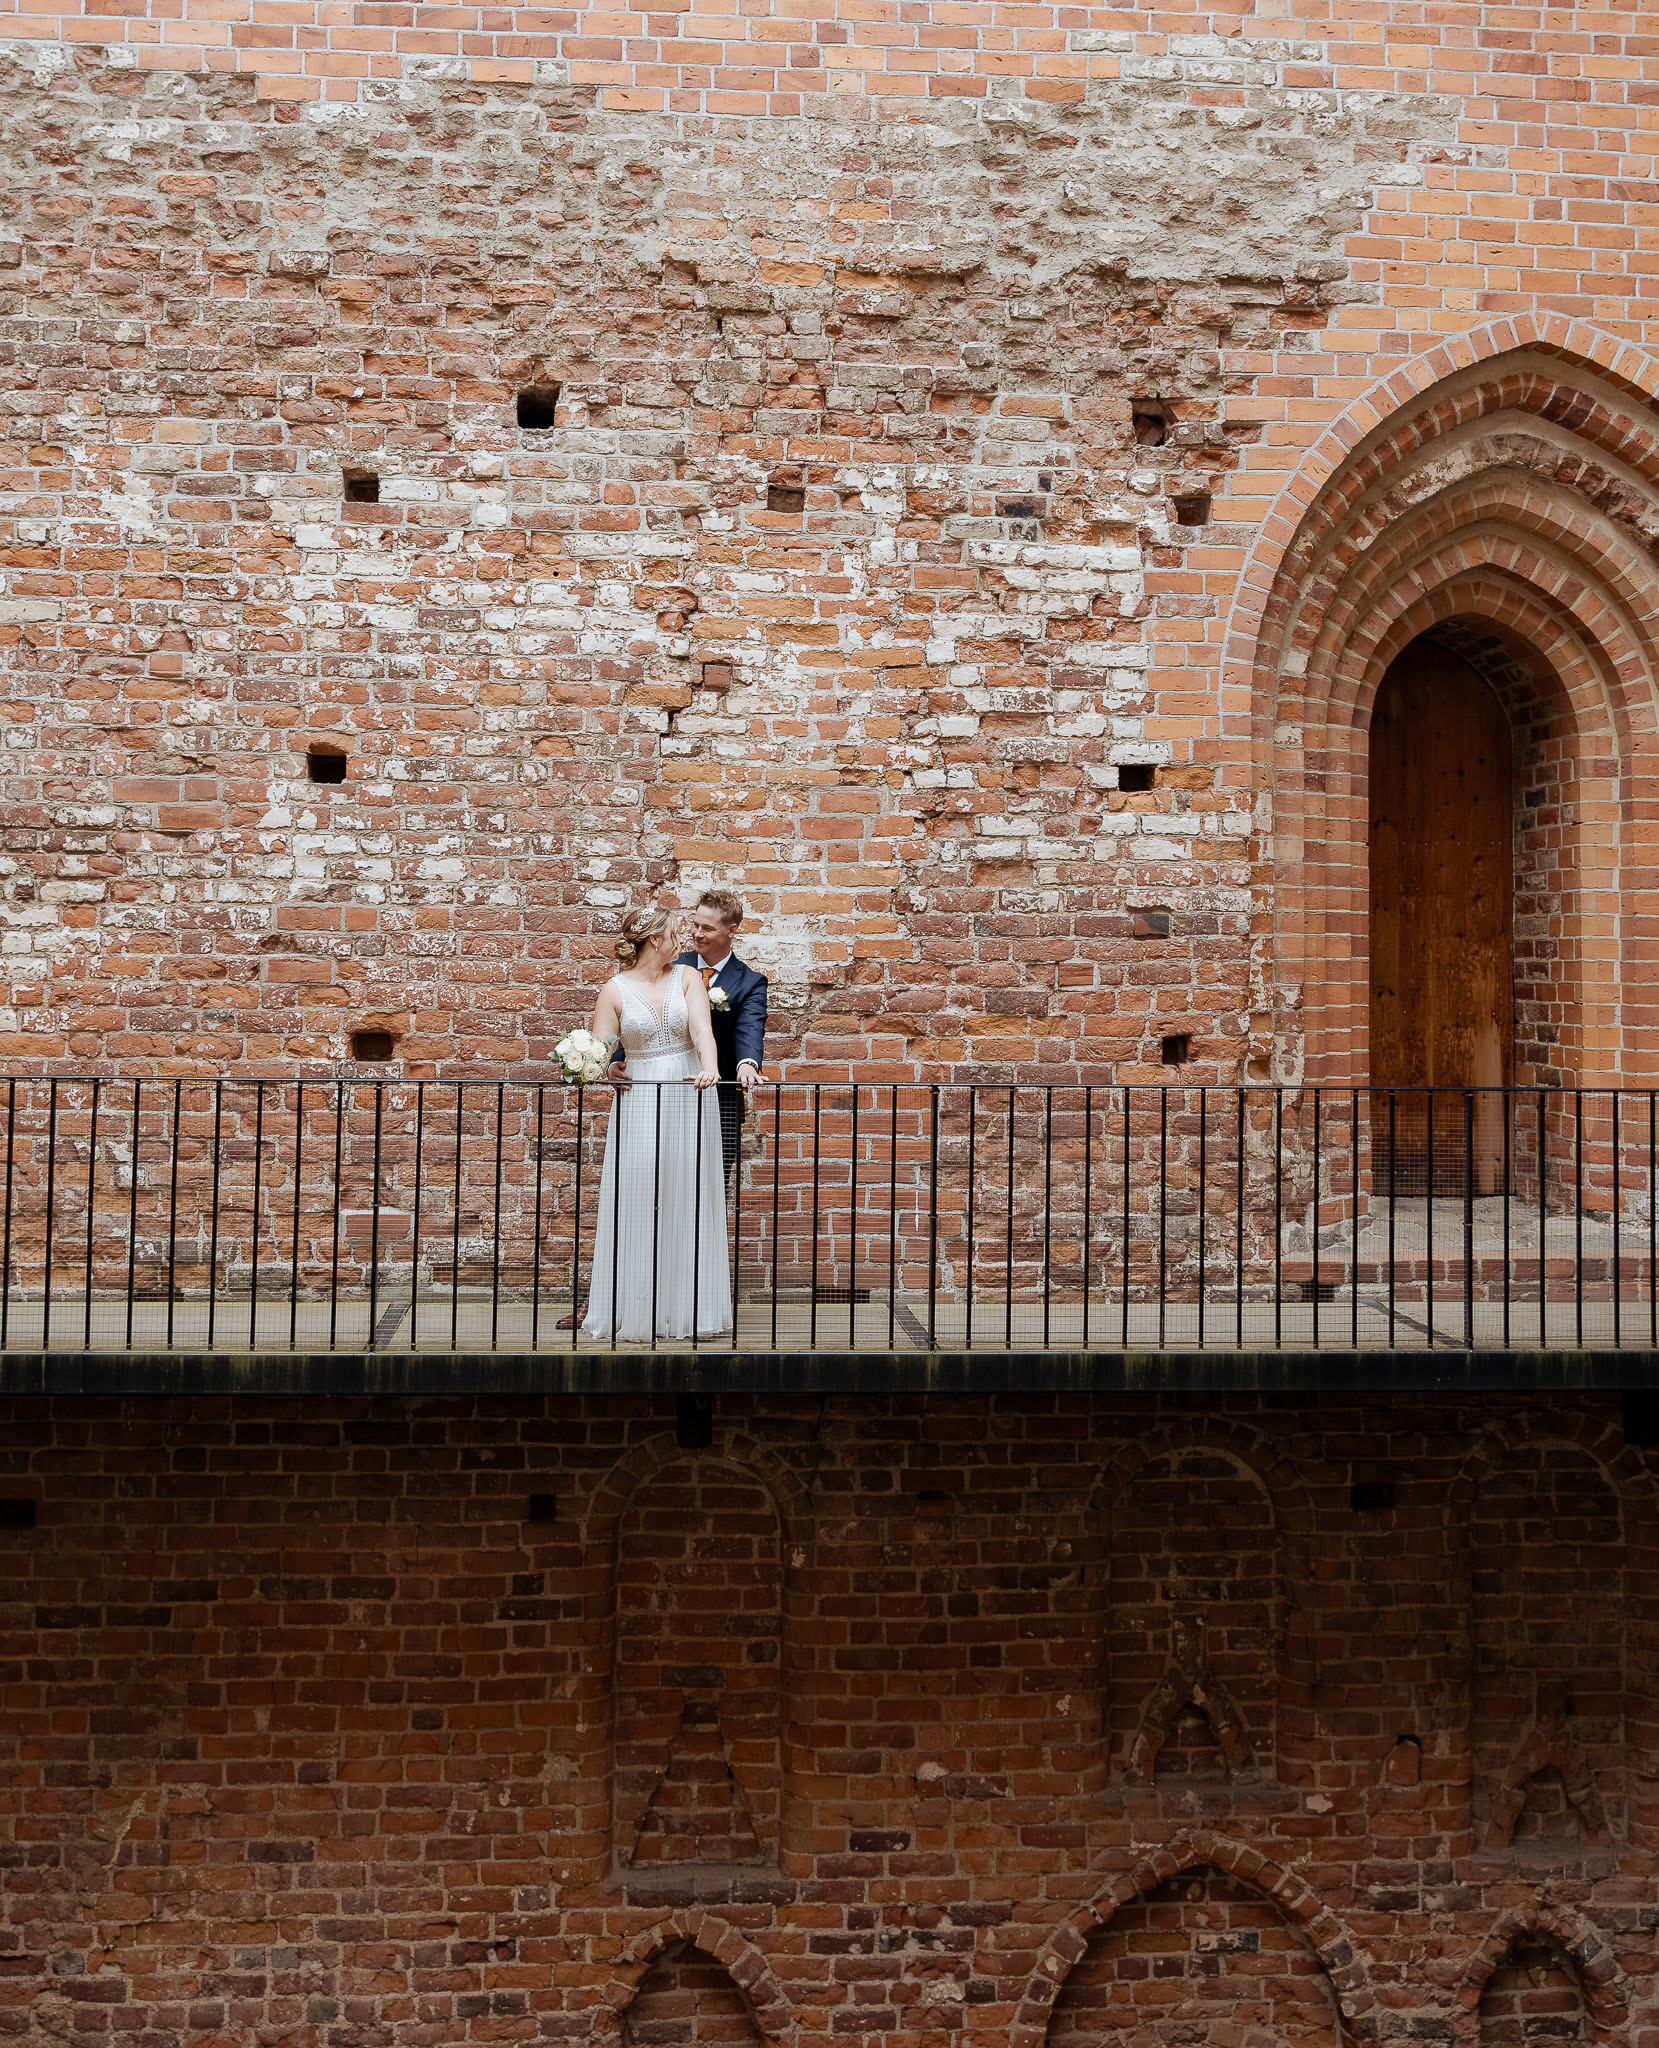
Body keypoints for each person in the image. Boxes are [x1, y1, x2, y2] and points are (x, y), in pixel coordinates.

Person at [578, 905, 732, 1343]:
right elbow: (602, 1050)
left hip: (690, 1090)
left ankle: (688, 1309)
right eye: (674, 934)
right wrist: (606, 1068)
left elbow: (702, 1031)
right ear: (654, 940)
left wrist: (710, 1068)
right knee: (641, 1193)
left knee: (688, 1192)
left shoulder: (687, 977)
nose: (682, 940)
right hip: (641, 1096)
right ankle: (639, 1308)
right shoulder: (614, 990)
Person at [677, 888, 769, 1186]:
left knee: (714, 1181)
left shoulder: (750, 982)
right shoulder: (673, 966)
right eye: (695, 925)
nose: (697, 934)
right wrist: (619, 1059)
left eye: (707, 928)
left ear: (731, 930)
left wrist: (748, 1063)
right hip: (671, 1087)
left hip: (721, 1096)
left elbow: (750, 1026)